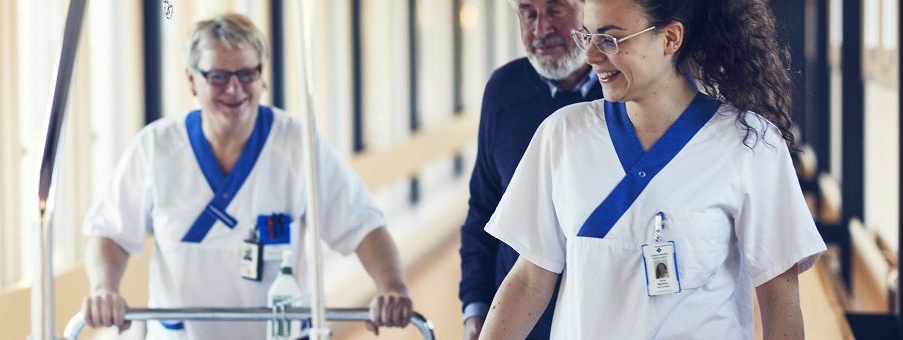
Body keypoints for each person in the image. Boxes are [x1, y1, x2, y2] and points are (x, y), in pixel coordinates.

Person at [479, 0, 827, 338]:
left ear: (670, 38)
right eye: (587, 36)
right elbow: (529, 279)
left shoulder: (749, 145)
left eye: (609, 39)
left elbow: (779, 301)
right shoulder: (563, 135)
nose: (591, 56)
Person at [80, 12, 413, 339]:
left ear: (263, 76)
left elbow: (362, 225)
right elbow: (109, 232)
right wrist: (103, 288)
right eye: (219, 76)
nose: (235, 89)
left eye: (247, 74)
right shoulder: (156, 148)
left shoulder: (297, 146)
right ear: (191, 79)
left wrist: (392, 287)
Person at [458, 0, 600, 339]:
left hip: (600, 317)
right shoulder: (502, 91)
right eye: (528, 13)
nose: (541, 29)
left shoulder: (627, 91)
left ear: (590, 10)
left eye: (556, 10)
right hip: (521, 321)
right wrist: (476, 308)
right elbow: (484, 210)